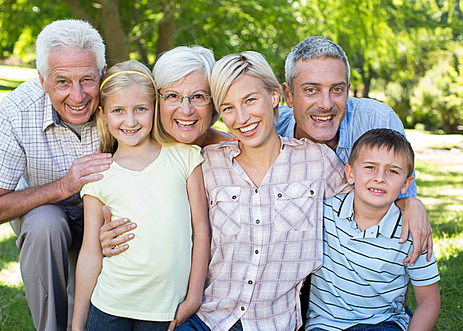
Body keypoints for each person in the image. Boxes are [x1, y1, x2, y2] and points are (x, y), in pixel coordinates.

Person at [177, 51, 350, 331]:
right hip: (209, 318)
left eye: (250, 100)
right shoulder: (208, 164)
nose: (242, 117)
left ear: (273, 96)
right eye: (228, 107)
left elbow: (364, 210)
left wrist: (408, 206)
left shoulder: (317, 162)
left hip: (274, 322)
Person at [0, 20, 112, 330]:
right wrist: (64, 186)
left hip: (106, 217)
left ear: (102, 73)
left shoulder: (121, 99)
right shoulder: (17, 110)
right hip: (49, 221)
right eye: (62, 82)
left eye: (87, 79)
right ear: (42, 80)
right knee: (44, 223)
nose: (78, 96)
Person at [72, 61, 210, 331]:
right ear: (103, 114)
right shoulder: (99, 175)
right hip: (110, 304)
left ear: (154, 109)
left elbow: (201, 231)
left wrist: (193, 297)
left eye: (140, 109)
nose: (130, 121)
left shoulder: (184, 157)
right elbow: (90, 252)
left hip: (164, 308)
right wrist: (77, 324)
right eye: (118, 111)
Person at [276, 36, 432, 264]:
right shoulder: (273, 132)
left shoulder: (378, 120)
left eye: (337, 90)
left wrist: (411, 204)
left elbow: (403, 215)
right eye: (311, 90)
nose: (326, 104)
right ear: (288, 95)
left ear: (348, 90)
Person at [99, 46, 230, 256]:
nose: (186, 110)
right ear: (155, 101)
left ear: (213, 102)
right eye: (172, 96)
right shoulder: (131, 150)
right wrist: (104, 237)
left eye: (198, 96)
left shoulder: (231, 152)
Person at [306, 128, 440, 331]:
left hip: (382, 323)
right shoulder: (324, 210)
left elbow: (428, 301)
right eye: (370, 167)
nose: (380, 178)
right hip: (326, 325)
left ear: (406, 184)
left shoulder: (412, 230)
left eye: (392, 171)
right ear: (350, 173)